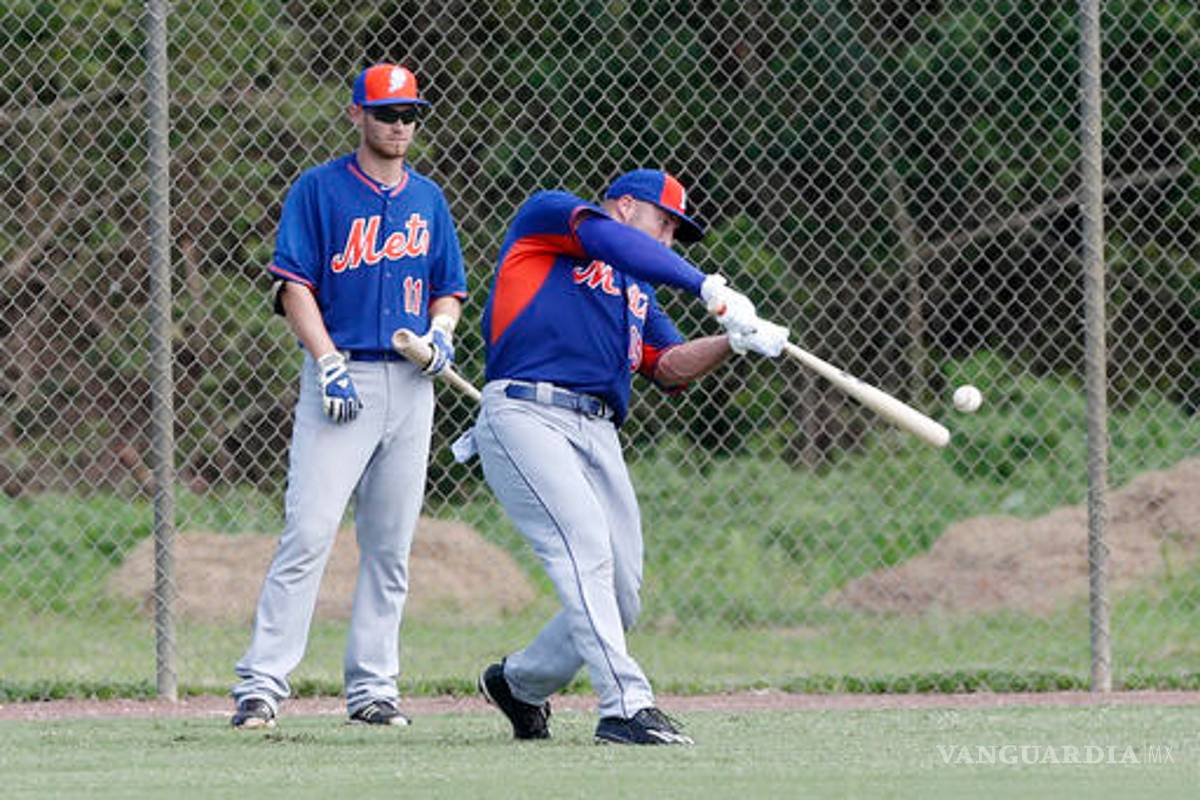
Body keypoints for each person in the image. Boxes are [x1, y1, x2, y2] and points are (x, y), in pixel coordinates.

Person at [470, 168, 787, 745]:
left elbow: (666, 365)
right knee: (587, 553)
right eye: (663, 223)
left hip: (597, 428)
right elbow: (610, 243)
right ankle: (625, 706)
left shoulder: (634, 290)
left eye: (675, 231)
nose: (667, 239)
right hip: (526, 412)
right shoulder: (552, 215)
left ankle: (519, 685)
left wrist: (733, 341)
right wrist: (708, 287)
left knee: (622, 592)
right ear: (622, 208)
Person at [230, 63, 467, 729]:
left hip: (412, 382)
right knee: (308, 532)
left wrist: (443, 331)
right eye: (387, 113)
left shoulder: (429, 200)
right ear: (356, 115)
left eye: (410, 114)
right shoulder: (320, 191)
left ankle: (373, 690)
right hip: (344, 377)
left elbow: (448, 284)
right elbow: (292, 283)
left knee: (390, 547)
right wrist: (326, 358)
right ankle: (262, 685)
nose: (400, 126)